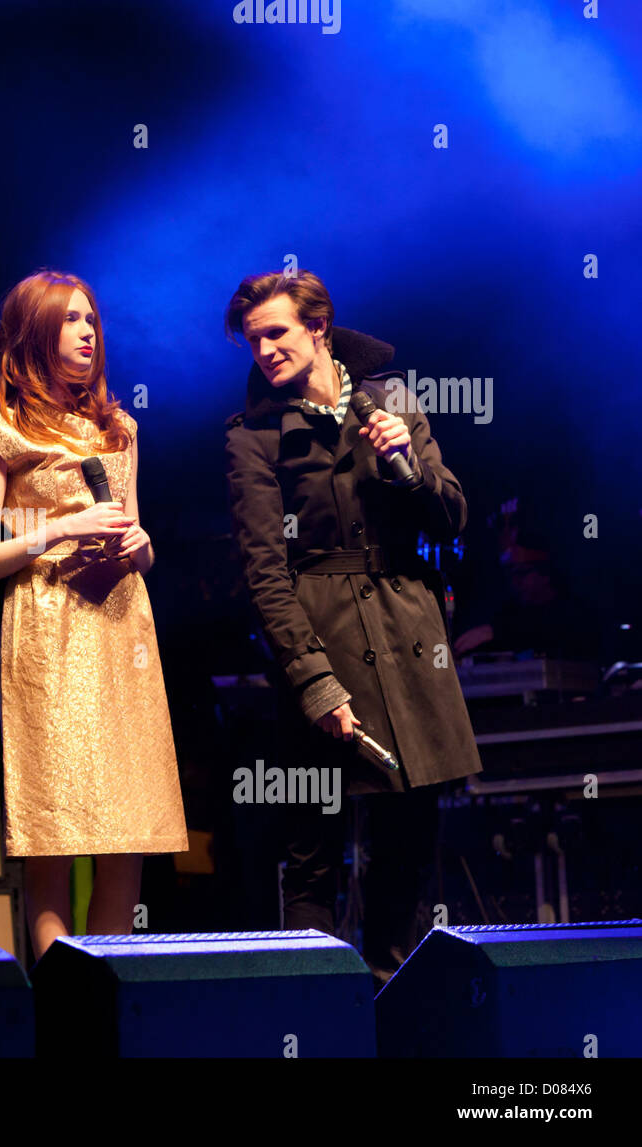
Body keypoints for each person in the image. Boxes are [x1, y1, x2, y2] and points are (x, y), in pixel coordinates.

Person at [223, 269, 481, 984]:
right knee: (312, 848)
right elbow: (264, 575)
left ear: (318, 328)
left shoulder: (393, 401)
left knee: (409, 847)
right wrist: (312, 680)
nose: (266, 349)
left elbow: (454, 516)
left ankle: (395, 1005)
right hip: (324, 642)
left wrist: (407, 467)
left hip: (409, 639)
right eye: (254, 340)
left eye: (277, 332)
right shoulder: (253, 437)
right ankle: (320, 1014)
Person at [0, 270, 187, 961]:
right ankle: (62, 997)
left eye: (92, 320)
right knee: (53, 826)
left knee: (129, 823)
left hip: (123, 628)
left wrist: (143, 546)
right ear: (34, 332)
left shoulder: (119, 428)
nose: (87, 333)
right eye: (69, 320)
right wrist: (58, 529)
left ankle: (111, 984)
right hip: (47, 627)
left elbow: (135, 534)